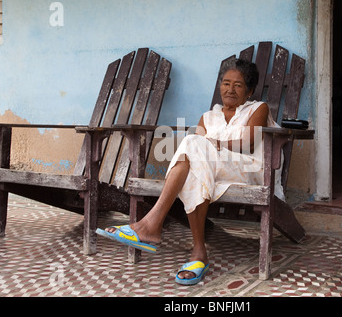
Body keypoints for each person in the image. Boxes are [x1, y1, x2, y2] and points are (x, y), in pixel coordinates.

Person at [96, 58, 282, 285]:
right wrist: (205, 146)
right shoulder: (208, 116)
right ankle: (197, 252)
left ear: (250, 90)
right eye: (225, 83)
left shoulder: (257, 108)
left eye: (238, 85)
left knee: (193, 143)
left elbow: (248, 143)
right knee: (194, 163)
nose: (230, 89)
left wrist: (210, 144)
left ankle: (152, 224)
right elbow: (197, 157)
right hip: (213, 172)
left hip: (249, 170)